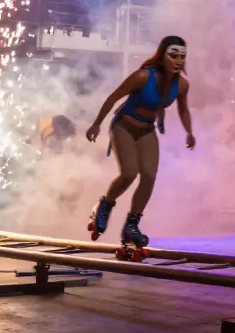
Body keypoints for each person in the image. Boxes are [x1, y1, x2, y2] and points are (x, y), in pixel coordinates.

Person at [84, 36, 196, 249]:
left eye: (182, 56)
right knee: (129, 174)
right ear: (162, 56)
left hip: (147, 129)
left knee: (149, 176)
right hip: (124, 126)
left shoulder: (182, 85)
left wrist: (189, 132)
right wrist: (96, 123)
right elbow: (114, 97)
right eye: (173, 55)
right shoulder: (143, 76)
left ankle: (131, 224)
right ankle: (104, 205)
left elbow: (183, 109)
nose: (178, 60)